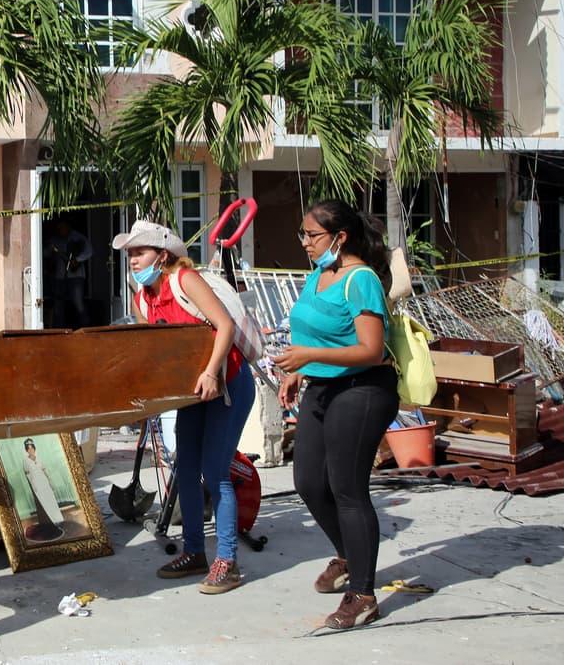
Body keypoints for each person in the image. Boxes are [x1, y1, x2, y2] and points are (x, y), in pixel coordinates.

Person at [115, 220, 256, 595]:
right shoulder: (142, 298)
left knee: (215, 472)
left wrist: (210, 373)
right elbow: (156, 351)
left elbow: (224, 326)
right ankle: (194, 552)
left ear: (162, 256)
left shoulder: (185, 280)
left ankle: (228, 562)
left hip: (227, 383)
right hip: (192, 392)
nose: (133, 260)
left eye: (140, 252)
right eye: (130, 254)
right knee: (186, 469)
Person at [274, 199, 397, 630]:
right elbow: (316, 333)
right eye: (303, 234)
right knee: (309, 482)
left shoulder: (361, 280)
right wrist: (300, 371)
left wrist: (308, 357)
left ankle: (363, 594)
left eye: (312, 235)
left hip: (363, 390)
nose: (304, 242)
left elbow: (371, 350)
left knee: (348, 489)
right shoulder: (319, 275)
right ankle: (349, 555)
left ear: (340, 237)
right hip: (322, 388)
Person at [46, 219, 93, 328]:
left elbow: (89, 251)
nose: (60, 230)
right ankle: (59, 329)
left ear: (68, 227)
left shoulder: (78, 238)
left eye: (62, 227)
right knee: (58, 304)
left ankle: (86, 328)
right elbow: (45, 254)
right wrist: (49, 249)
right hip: (60, 276)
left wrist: (77, 260)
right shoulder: (55, 240)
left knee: (78, 302)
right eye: (58, 228)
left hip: (76, 276)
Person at [21, 438, 64, 540]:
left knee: (50, 500)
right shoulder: (25, 460)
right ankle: (48, 521)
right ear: (26, 450)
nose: (31, 450)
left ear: (34, 449)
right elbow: (27, 474)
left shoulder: (39, 458)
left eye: (32, 448)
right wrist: (33, 485)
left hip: (44, 481)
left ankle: (57, 519)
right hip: (36, 483)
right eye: (28, 448)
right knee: (43, 502)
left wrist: (50, 481)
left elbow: (44, 470)